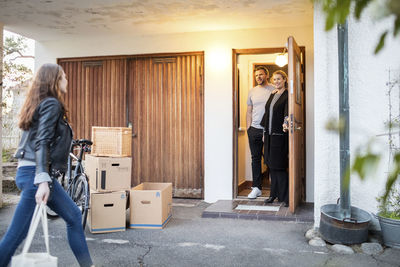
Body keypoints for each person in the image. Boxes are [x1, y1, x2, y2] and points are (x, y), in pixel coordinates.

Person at [0, 63, 94, 267]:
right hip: (36, 174)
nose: (67, 80)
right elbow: (42, 141)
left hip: (32, 172)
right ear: (55, 80)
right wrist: (42, 179)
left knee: (74, 216)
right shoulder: (51, 104)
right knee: (15, 237)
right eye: (64, 77)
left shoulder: (39, 103)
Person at [261, 70, 289, 207]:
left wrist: (286, 123)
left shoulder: (287, 95)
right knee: (271, 167)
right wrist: (264, 133)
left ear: (285, 80)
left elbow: (287, 113)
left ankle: (285, 197)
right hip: (269, 136)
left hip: (280, 136)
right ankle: (273, 195)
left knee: (279, 167)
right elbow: (267, 114)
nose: (276, 81)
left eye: (279, 79)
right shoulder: (272, 95)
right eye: (274, 79)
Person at [246, 66, 274, 199]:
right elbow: (249, 111)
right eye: (257, 75)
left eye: (261, 75)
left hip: (268, 130)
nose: (259, 77)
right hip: (254, 130)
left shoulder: (274, 89)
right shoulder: (252, 91)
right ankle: (256, 187)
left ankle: (275, 188)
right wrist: (248, 129)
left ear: (266, 76)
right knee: (255, 159)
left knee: (270, 159)